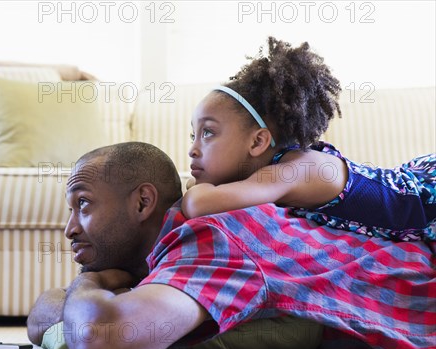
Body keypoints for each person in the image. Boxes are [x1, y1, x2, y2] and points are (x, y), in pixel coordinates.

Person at [27, 141, 435, 349]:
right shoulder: (176, 251)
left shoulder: (209, 237)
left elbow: (105, 340)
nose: (71, 228)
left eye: (83, 204)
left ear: (142, 203)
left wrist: (90, 281)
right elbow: (44, 320)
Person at [182, 37, 436, 242]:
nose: (193, 149)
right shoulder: (282, 164)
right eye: (193, 135)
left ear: (258, 142)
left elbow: (198, 203)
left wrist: (197, 189)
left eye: (208, 133)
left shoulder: (294, 171)